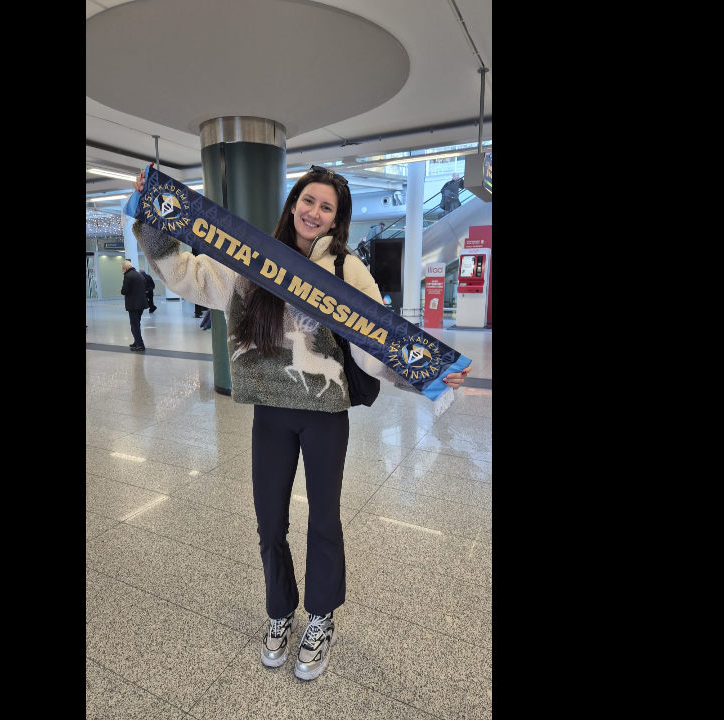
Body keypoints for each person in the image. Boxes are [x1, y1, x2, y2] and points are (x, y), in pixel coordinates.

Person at [130, 164, 470, 681]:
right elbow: (188, 274)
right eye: (308, 200)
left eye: (326, 207)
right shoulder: (253, 258)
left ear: (336, 219)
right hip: (270, 412)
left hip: (325, 415)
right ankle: (279, 611)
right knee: (270, 522)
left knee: (324, 521)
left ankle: (321, 618)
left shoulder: (347, 270)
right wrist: (155, 214)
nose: (314, 212)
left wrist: (429, 374)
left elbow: (375, 345)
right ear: (293, 204)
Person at [119, 260, 147, 351]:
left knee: (134, 325)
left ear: (125, 268)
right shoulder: (140, 275)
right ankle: (136, 342)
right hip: (141, 303)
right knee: (137, 323)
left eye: (122, 269)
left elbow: (125, 291)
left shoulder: (127, 276)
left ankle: (140, 345)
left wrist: (121, 290)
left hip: (133, 304)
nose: (123, 271)